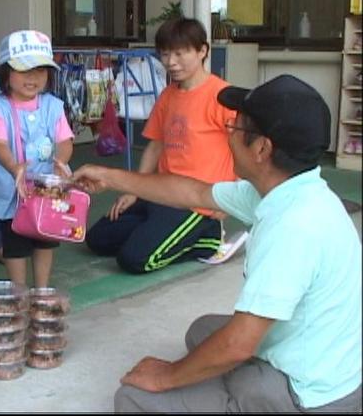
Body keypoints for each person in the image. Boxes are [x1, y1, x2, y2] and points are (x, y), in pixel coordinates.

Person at [72, 74, 362, 412]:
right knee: (203, 331)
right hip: (319, 354)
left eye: (235, 128)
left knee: (135, 399)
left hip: (310, 396)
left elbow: (239, 345)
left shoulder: (294, 227)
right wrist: (109, 177)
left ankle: (243, 392)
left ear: (262, 149)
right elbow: (193, 193)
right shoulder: (290, 189)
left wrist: (166, 377)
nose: (228, 135)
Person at [85, 17, 237, 274]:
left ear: (202, 51)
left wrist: (228, 199)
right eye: (165, 54)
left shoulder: (223, 96)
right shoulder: (168, 95)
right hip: (162, 192)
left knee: (134, 260)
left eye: (180, 53)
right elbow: (155, 145)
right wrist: (134, 190)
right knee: (97, 239)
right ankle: (159, 232)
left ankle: (208, 238)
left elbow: (242, 149)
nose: (171, 62)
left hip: (197, 202)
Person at [0, 29, 74, 285]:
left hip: (46, 188)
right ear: (5, 72)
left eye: (40, 70)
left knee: (45, 239)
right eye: (24, 70)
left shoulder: (53, 105)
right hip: (11, 188)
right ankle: (19, 292)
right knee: (14, 242)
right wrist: (15, 167)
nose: (33, 77)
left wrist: (60, 163)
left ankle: (42, 289)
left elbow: (65, 141)